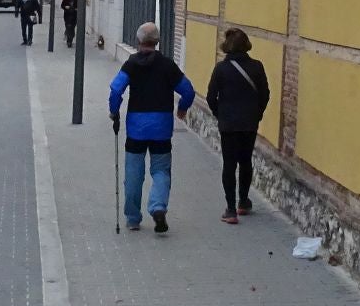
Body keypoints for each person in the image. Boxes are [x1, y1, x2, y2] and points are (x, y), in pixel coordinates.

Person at [108, 22, 195, 233]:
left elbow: (116, 89)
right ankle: (158, 207)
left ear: (138, 41)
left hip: (136, 126)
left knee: (133, 172)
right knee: (161, 169)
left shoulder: (131, 64)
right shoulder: (167, 65)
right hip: (162, 126)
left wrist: (114, 111)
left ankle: (132, 218)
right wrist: (182, 109)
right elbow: (189, 91)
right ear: (157, 42)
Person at [205, 28, 271, 224]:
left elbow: (210, 97)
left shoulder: (220, 69)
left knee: (229, 164)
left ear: (227, 46)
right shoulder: (257, 67)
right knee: (245, 161)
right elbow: (265, 94)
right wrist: (257, 113)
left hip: (228, 124)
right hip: (249, 123)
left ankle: (231, 209)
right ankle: (243, 201)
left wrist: (220, 114)